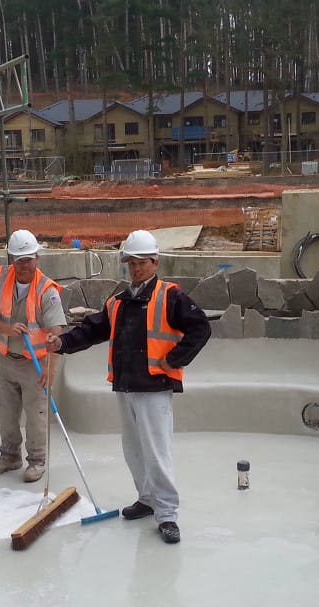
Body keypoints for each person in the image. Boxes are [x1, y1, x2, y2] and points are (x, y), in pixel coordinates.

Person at [48, 229, 211, 544]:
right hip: (125, 384)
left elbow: (200, 328)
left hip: (154, 386)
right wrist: (62, 342)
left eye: (142, 263)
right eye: (131, 264)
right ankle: (147, 499)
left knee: (157, 451)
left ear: (155, 262)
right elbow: (94, 329)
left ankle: (167, 515)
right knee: (133, 449)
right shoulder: (119, 301)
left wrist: (174, 359)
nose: (136, 269)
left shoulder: (170, 296)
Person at [0, 229, 66, 483]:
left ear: (37, 258)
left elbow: (57, 330)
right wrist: (7, 329)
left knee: (36, 415)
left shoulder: (46, 290)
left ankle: (37, 460)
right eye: (20, 259)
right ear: (12, 260)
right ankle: (9, 456)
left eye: (29, 259)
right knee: (7, 413)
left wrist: (51, 366)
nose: (25, 264)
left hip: (35, 365)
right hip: (6, 361)